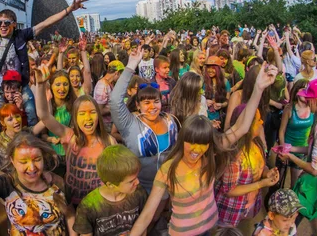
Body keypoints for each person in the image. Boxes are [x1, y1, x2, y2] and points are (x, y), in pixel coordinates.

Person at [129, 63, 277, 236]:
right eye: (191, 142)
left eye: (202, 143)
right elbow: (147, 215)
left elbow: (242, 128)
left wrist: (258, 89)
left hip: (210, 229)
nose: (196, 149)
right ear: (182, 139)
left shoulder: (208, 158)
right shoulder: (168, 170)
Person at [33, 77, 116, 205]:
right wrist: (40, 85)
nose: (88, 118)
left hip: (97, 203)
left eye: (92, 112)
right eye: (82, 113)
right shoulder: (69, 136)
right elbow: (43, 114)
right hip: (72, 201)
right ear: (75, 117)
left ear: (98, 116)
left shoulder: (109, 141)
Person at [109, 46, 179, 194]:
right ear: (138, 105)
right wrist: (131, 65)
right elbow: (115, 101)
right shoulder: (130, 124)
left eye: (156, 102)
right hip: (139, 189)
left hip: (167, 188)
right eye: (146, 103)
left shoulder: (171, 122)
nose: (152, 107)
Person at [277, 78, 317, 226]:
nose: (306, 101)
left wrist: (290, 156)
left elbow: (314, 169)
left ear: (315, 101)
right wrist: (291, 148)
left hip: (313, 182)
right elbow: (315, 149)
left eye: (309, 98)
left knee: (290, 221)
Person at [215, 104, 279, 230]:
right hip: (231, 210)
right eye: (257, 120)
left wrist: (267, 173)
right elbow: (229, 190)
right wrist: (261, 184)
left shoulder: (256, 143)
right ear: (246, 125)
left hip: (246, 206)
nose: (261, 122)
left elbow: (260, 166)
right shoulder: (234, 155)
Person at [73, 145, 148, 236]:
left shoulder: (139, 193)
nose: (137, 182)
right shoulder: (89, 205)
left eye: (136, 177)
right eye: (131, 181)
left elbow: (145, 226)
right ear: (111, 185)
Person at [0, 104, 46, 175]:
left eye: (17, 116)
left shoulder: (26, 133)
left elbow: (45, 120)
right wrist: (7, 178)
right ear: (3, 123)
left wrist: (47, 101)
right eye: (10, 119)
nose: (16, 121)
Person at [277, 79, 312, 188]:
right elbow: (281, 131)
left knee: (295, 186)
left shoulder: (313, 109)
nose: (306, 92)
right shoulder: (289, 109)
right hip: (286, 149)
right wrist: (283, 149)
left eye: (308, 89)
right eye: (303, 89)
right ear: (297, 91)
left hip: (301, 152)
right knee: (277, 182)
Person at [94, 60, 124, 132]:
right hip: (106, 125)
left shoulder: (110, 83)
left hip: (111, 122)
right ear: (117, 73)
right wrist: (116, 108)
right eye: (121, 75)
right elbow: (100, 110)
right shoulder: (102, 86)